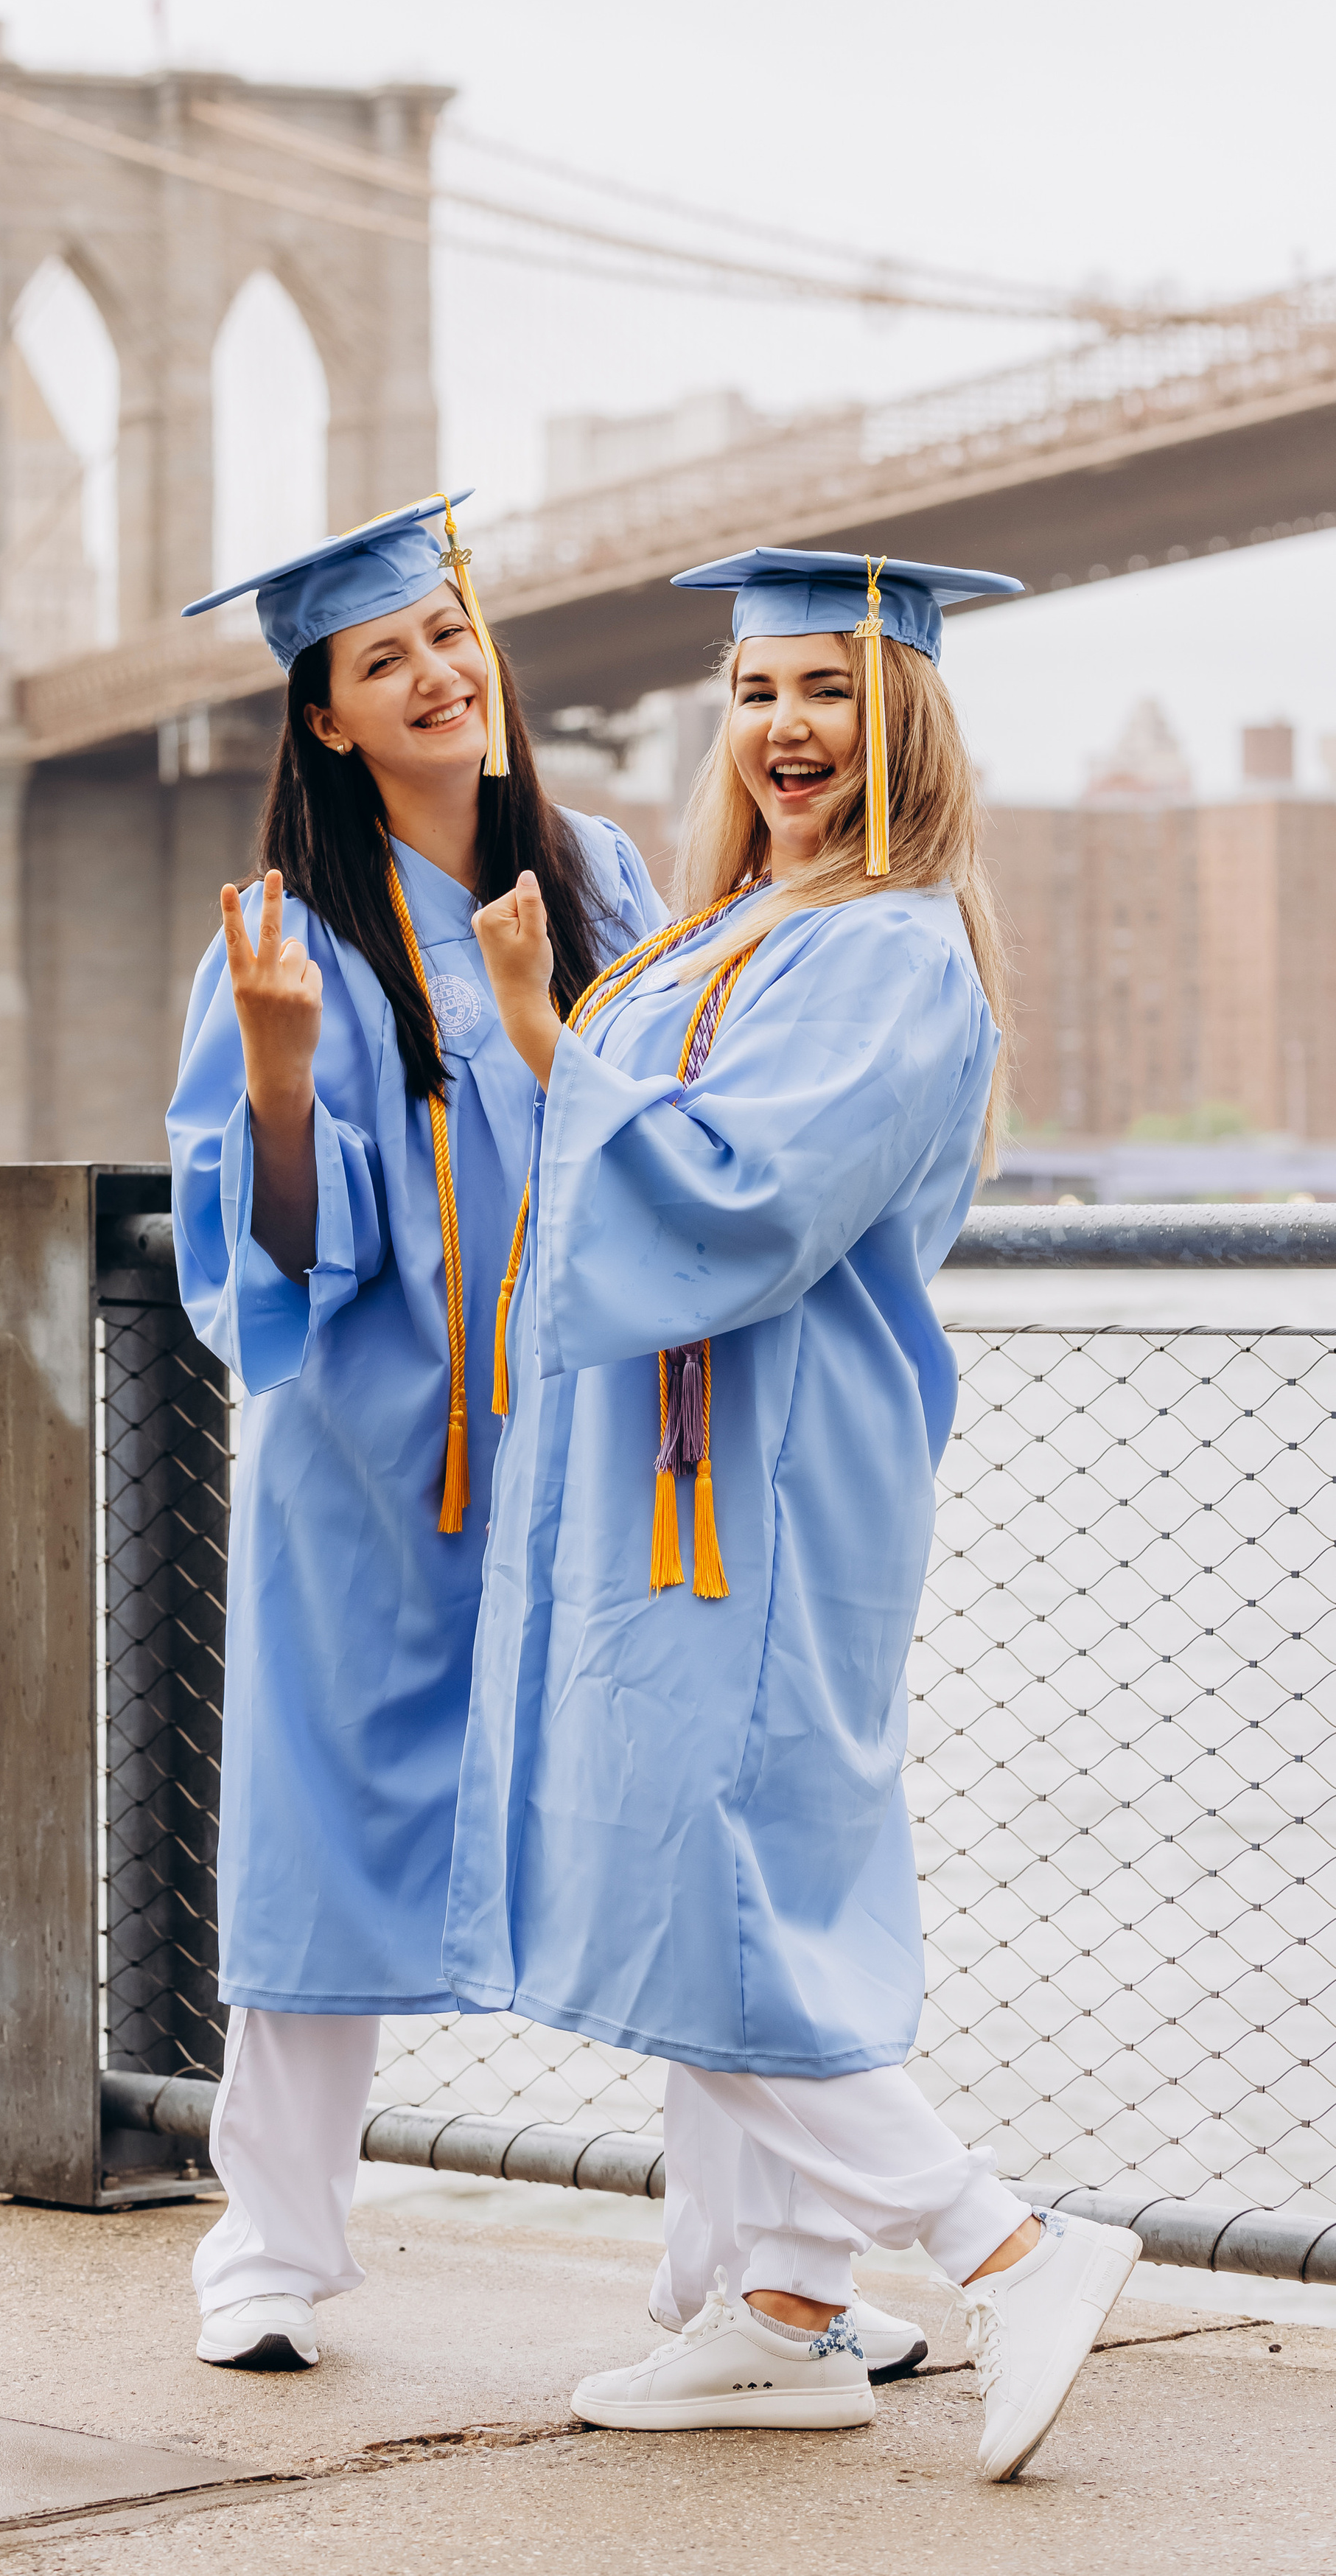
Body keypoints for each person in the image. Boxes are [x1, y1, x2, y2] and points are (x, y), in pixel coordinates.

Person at [450, 549, 1141, 2482]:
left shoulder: (893, 946)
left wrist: (535, 1033)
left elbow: (736, 1200)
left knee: (718, 1873)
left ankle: (1005, 2244)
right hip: (664, 1471)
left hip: (762, 1476)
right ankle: (780, 2309)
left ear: (901, 715)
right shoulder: (719, 931)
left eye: (830, 687)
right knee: (721, 1872)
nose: (787, 727)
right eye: (756, 689)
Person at [166, 492, 667, 2374]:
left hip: (606, 1452)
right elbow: (278, 1257)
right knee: (320, 1821)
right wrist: (283, 1076)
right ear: (326, 717)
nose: (438, 675)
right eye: (384, 659)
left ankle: (752, 2261)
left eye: (448, 636)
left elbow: (674, 1139)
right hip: (382, 1466)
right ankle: (270, 2239)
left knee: (665, 1817)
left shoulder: (608, 879)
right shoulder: (281, 937)